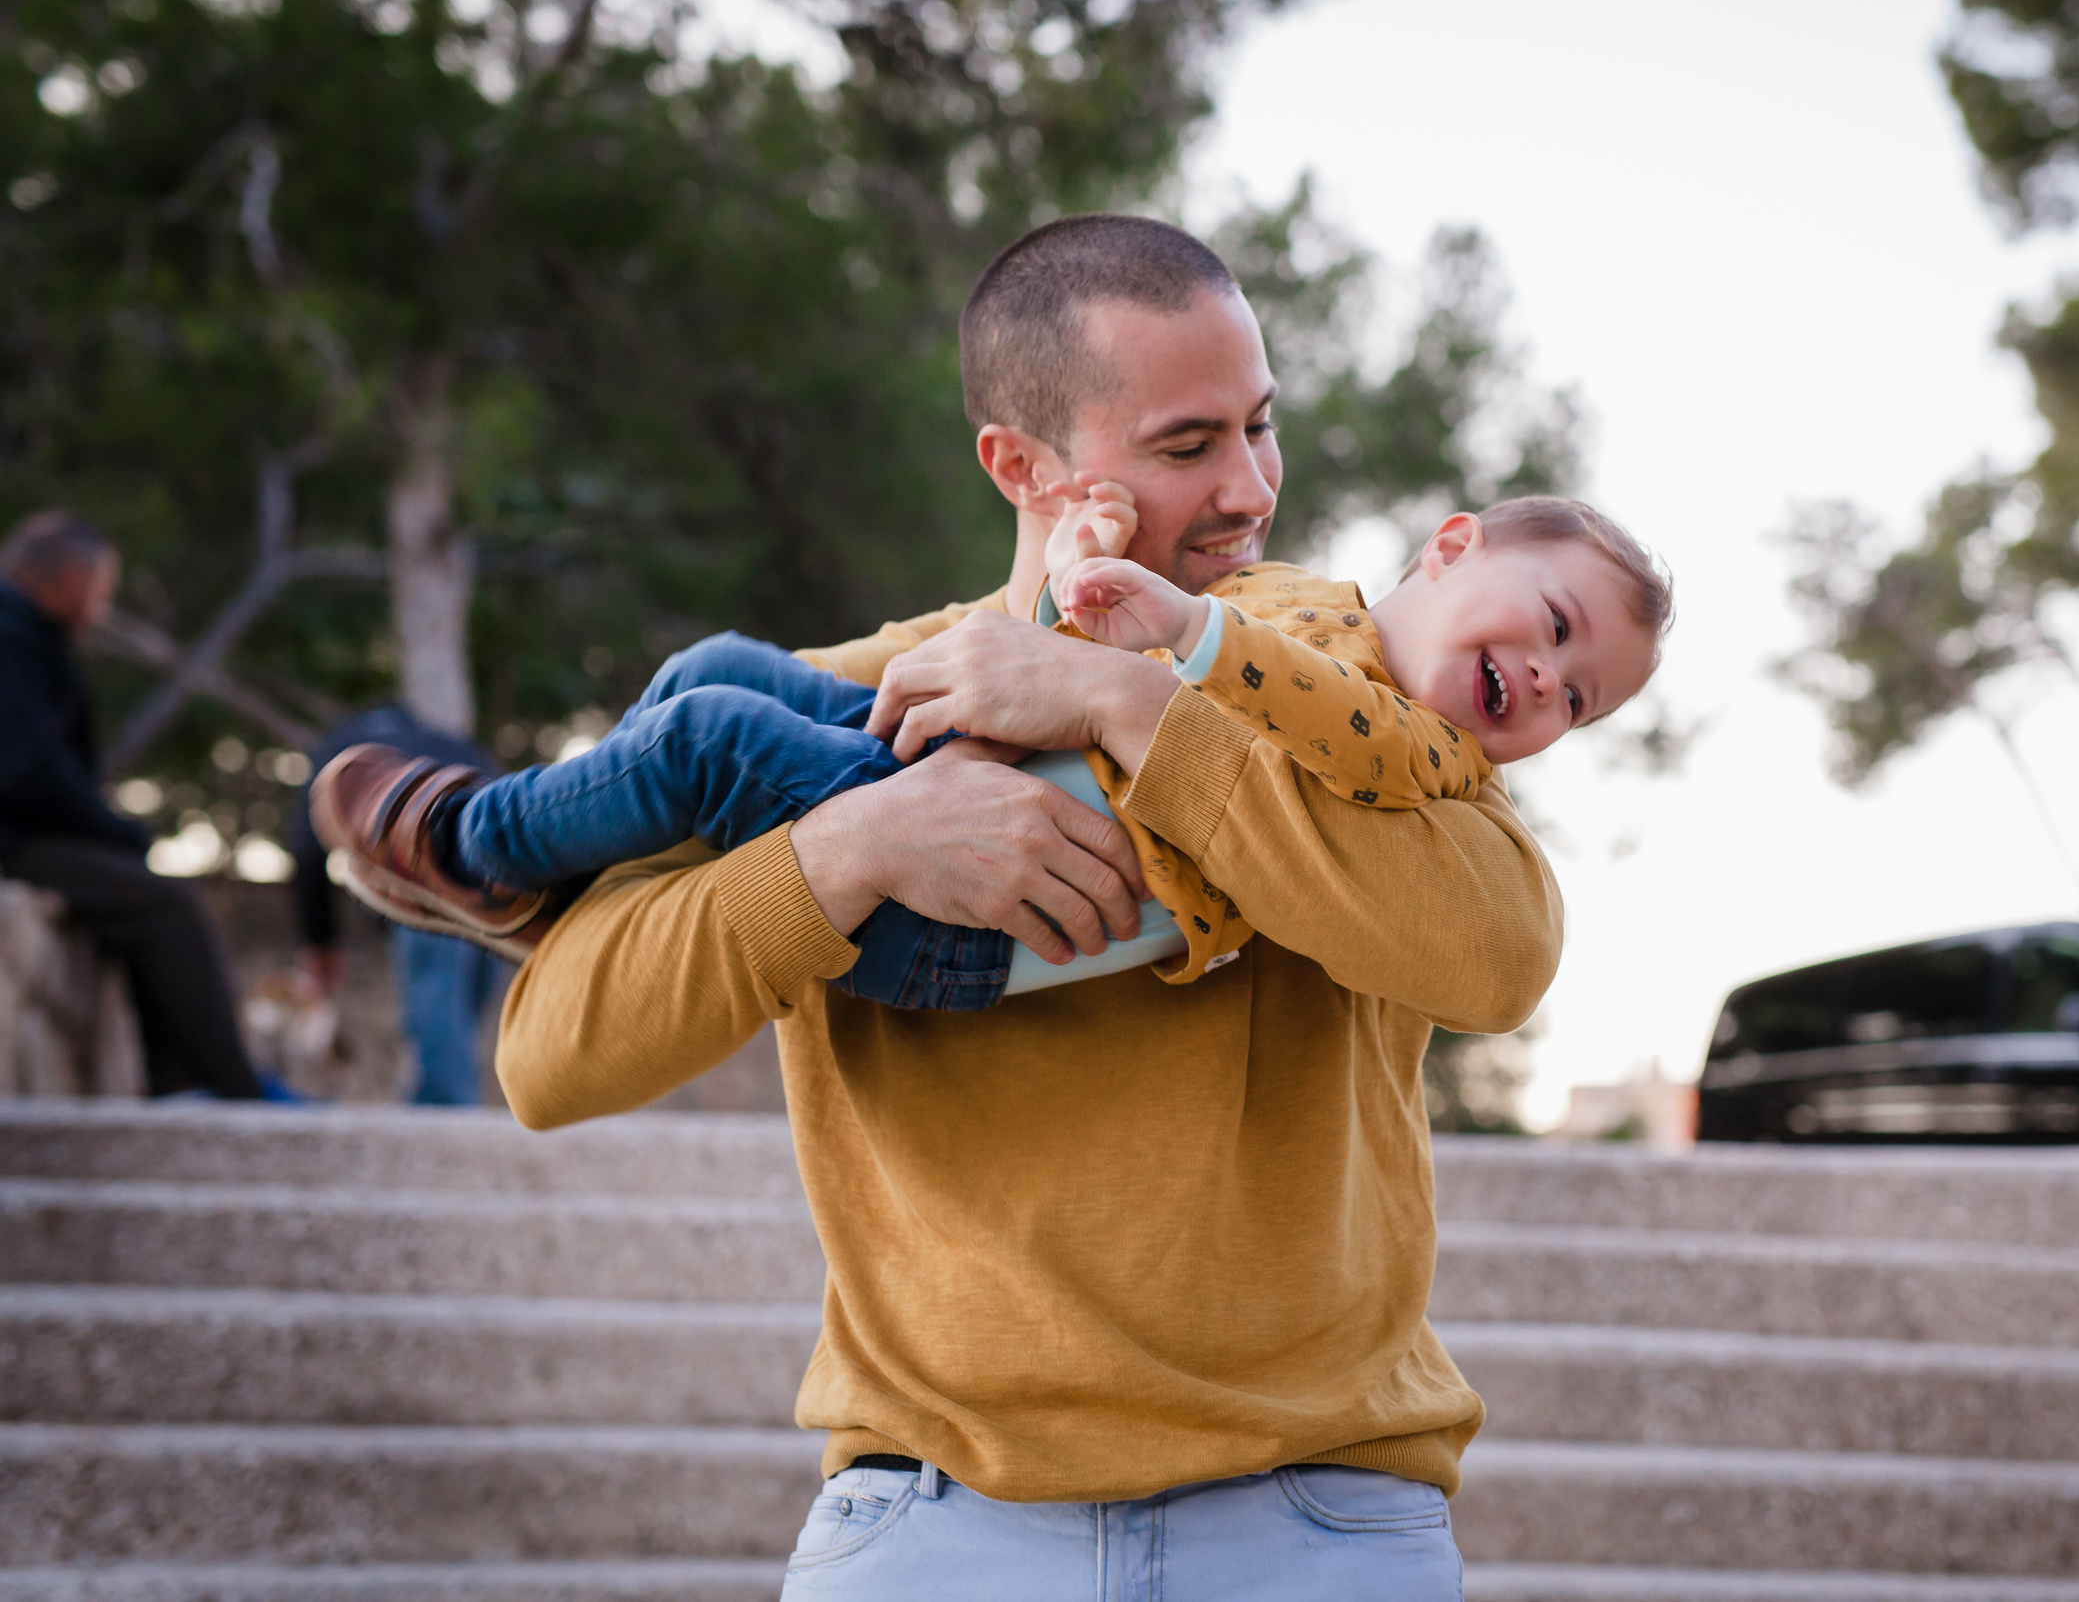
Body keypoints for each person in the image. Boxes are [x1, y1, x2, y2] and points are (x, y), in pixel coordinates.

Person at [492, 216, 1639, 1597]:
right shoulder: (861, 693)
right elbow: (550, 1054)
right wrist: (858, 844)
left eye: (1260, 428)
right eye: (1187, 444)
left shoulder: (1338, 686)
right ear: (1023, 464)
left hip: (1315, 1519)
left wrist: (1129, 703)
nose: (1250, 487)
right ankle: (453, 827)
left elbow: (1501, 949)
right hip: (929, 1522)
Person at [309, 486, 1664, 1011]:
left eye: (1582, 700)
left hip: (985, 927)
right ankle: (572, 878)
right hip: (950, 794)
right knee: (722, 671)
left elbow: (1326, 725)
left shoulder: (1425, 753)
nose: (1548, 681)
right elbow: (1055, 657)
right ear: (1451, 544)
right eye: (1554, 626)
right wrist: (1080, 573)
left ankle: (475, 842)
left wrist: (1176, 635)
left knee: (717, 731)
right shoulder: (1292, 602)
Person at [0, 510, 268, 1100]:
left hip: (23, 833)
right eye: (100, 591)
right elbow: (28, 771)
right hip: (14, 842)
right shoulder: (12, 638)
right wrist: (118, 833)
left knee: (148, 895)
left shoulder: (27, 639)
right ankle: (228, 1087)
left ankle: (183, 1078)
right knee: (166, 904)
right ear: (69, 578)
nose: (100, 609)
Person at [286, 705, 510, 1106]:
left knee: (437, 1003)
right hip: (500, 887)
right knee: (460, 1011)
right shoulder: (453, 744)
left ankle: (444, 1114)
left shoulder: (339, 752)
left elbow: (307, 849)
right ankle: (452, 1100)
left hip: (422, 883)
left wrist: (320, 942)